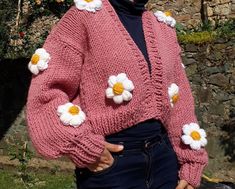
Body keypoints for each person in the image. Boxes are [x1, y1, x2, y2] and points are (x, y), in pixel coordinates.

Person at [26, 0, 208, 188]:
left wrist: (191, 160)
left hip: (164, 161)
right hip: (112, 164)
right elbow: (47, 91)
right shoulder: (83, 17)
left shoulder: (163, 28)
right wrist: (82, 145)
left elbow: (180, 101)